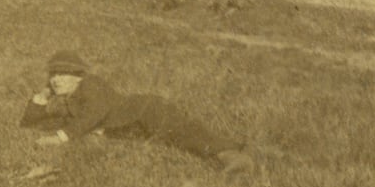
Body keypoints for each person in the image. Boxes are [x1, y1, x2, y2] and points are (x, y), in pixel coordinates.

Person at [20, 51, 253, 174]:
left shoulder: (90, 85)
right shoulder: (68, 97)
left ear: (79, 75)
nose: (57, 79)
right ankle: (232, 154)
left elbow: (94, 114)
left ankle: (231, 156)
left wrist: (60, 137)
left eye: (64, 74)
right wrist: (43, 95)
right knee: (176, 140)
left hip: (145, 112)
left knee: (184, 134)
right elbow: (28, 122)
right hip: (135, 127)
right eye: (53, 74)